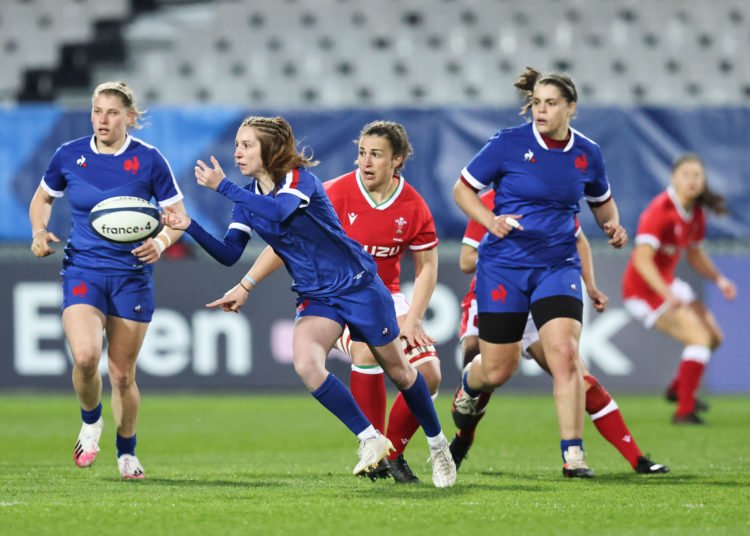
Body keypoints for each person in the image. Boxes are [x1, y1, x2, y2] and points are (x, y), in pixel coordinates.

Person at [162, 116, 456, 487]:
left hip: (360, 286)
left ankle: (438, 445)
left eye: (247, 144)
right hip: (317, 296)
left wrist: (223, 187)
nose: (237, 152)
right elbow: (228, 252)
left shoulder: (299, 180)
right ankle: (370, 438)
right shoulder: (247, 199)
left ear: (269, 149)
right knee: (306, 364)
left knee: (400, 372)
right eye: (237, 144)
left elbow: (280, 212)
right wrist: (189, 225)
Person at [451, 66, 628, 478]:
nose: (541, 110)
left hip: (557, 264)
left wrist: (612, 226)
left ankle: (573, 455)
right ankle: (469, 383)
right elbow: (462, 189)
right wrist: (489, 221)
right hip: (505, 267)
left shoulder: (588, 153)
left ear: (571, 108)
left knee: (565, 355)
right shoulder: (507, 144)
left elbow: (602, 203)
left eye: (551, 104)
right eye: (536, 103)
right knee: (498, 368)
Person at [28, 81, 186, 480]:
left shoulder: (149, 160)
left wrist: (163, 241)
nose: (103, 119)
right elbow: (43, 197)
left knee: (121, 374)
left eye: (112, 112)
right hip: (83, 269)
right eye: (97, 111)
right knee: (84, 357)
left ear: (129, 118)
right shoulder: (69, 155)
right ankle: (90, 420)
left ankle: (127, 451)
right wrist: (38, 231)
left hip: (132, 275)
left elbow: (178, 217)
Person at [449, 191, 669, 474]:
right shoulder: (491, 202)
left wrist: (590, 286)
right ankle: (463, 437)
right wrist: (513, 253)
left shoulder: (553, 193)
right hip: (495, 296)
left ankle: (636, 458)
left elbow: (579, 240)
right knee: (489, 375)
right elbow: (466, 261)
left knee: (576, 372)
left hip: (537, 302)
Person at [324, 120, 440, 483]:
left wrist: (413, 319)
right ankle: (372, 449)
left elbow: (426, 268)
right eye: (362, 153)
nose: (366, 162)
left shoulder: (413, 205)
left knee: (430, 375)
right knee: (364, 350)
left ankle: (394, 453)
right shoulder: (334, 193)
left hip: (386, 297)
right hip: (337, 299)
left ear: (398, 161)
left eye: (376, 155)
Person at [622, 154, 736, 425]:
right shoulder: (659, 210)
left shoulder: (695, 212)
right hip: (643, 291)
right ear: (674, 178)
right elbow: (641, 259)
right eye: (686, 174)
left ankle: (678, 388)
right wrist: (666, 292)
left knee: (714, 337)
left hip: (667, 284)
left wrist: (719, 279)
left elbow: (694, 255)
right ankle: (684, 411)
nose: (692, 180)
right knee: (699, 339)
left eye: (697, 175)